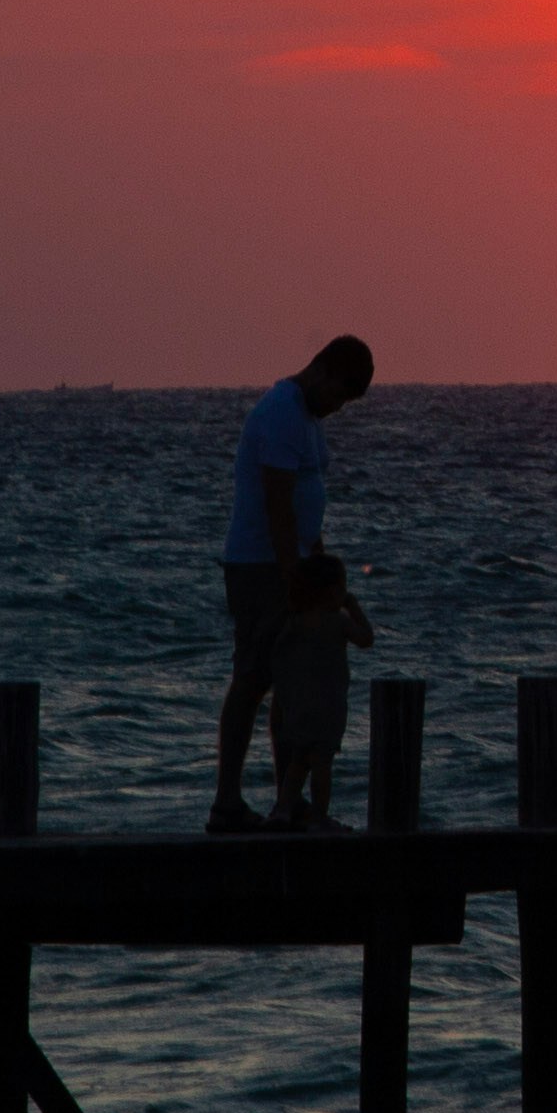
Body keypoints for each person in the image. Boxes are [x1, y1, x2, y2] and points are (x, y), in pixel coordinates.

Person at [212, 334, 375, 829]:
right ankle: (227, 803)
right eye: (339, 395)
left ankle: (288, 802)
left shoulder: (304, 418)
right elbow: (278, 504)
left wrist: (316, 555)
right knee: (252, 680)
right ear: (321, 370)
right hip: (263, 567)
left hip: (292, 564)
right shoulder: (282, 412)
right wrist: (293, 579)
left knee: (291, 685)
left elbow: (304, 505)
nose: (338, 408)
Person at [263, 552, 376, 831]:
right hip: (328, 706)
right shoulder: (338, 621)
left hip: (299, 704)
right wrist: (354, 607)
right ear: (332, 591)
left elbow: (278, 655)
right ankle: (318, 816)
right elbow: (366, 639)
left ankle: (283, 809)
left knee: (298, 761)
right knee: (322, 763)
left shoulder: (296, 622)